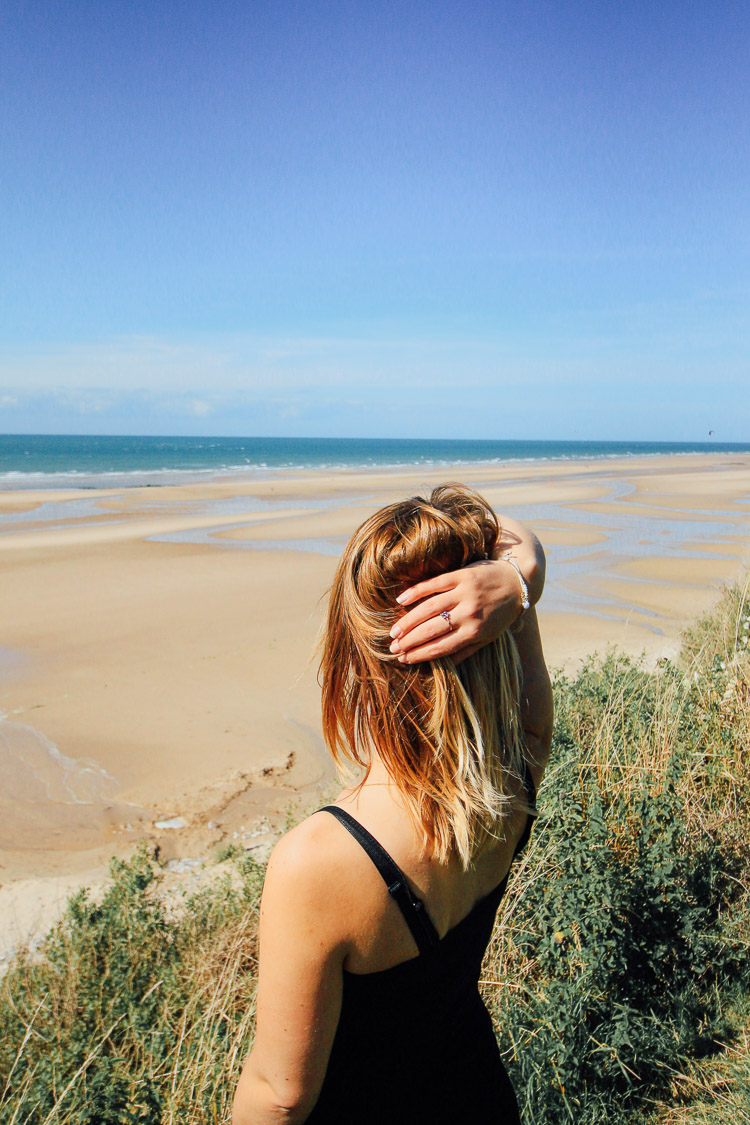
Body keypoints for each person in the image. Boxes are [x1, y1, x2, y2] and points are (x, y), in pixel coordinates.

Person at [233, 484, 553, 1125]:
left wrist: (517, 582)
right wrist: (520, 582)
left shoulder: (319, 861)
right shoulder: (514, 778)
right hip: (476, 1095)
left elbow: (281, 1092)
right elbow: (518, 538)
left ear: (358, 658)